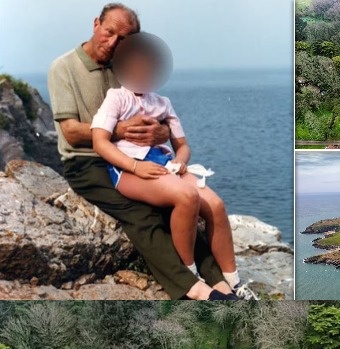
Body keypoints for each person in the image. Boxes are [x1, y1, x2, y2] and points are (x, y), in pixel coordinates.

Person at [47, 3, 253, 300]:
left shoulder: (127, 67)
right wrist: (122, 131)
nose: (113, 42)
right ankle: (191, 287)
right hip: (86, 161)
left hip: (134, 154)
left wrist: (162, 133)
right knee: (142, 214)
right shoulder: (64, 67)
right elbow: (70, 132)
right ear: (96, 24)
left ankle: (219, 281)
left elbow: (154, 116)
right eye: (109, 32)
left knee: (183, 205)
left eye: (124, 39)